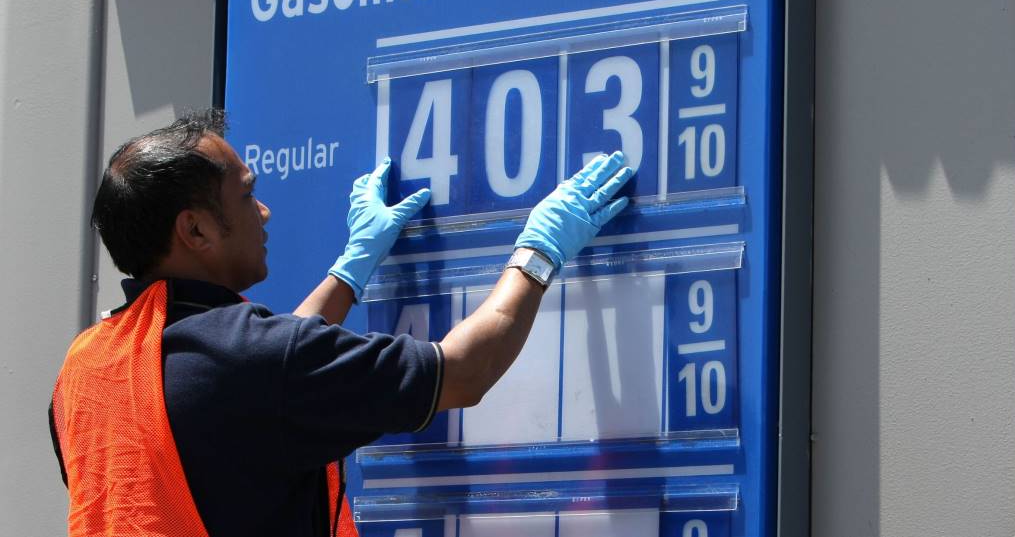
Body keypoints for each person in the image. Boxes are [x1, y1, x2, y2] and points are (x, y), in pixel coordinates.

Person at [49, 109, 634, 537]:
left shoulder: (87, 369)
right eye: (248, 195)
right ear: (195, 231)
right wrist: (538, 250)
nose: (264, 211)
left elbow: (263, 387)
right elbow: (463, 371)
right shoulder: (250, 361)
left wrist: (352, 270)